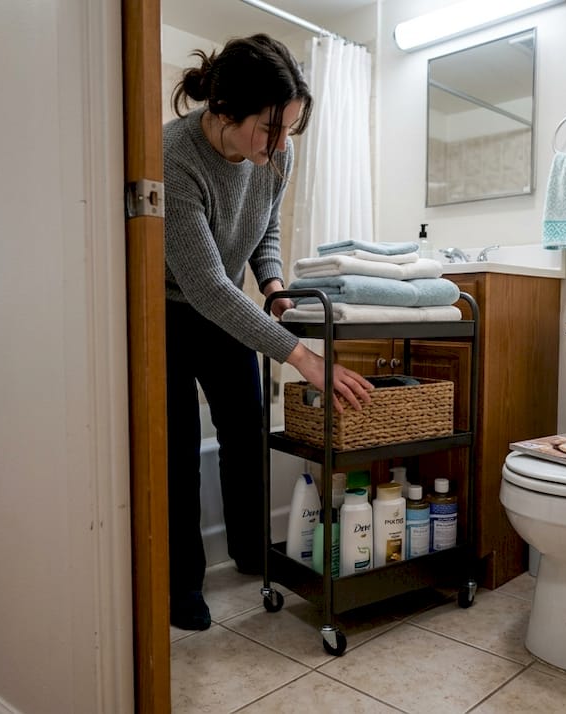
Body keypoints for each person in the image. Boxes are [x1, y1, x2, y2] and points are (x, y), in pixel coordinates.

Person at [163, 34, 373, 630]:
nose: (281, 145)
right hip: (172, 308)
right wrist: (301, 356)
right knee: (177, 445)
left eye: (290, 130)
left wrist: (275, 285)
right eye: (269, 129)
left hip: (227, 302)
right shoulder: (172, 157)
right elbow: (204, 284)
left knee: (248, 426)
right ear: (225, 111)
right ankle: (182, 589)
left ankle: (252, 552)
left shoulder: (276, 153)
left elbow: (266, 228)